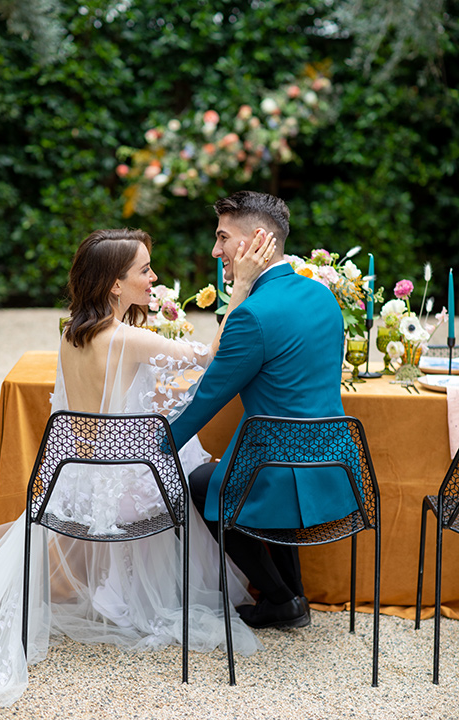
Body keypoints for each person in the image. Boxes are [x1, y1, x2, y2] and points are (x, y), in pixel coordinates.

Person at [0, 226, 276, 707]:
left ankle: (116, 588)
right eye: (145, 269)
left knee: (177, 446)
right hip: (120, 493)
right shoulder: (126, 337)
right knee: (192, 459)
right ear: (115, 284)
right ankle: (132, 591)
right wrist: (240, 289)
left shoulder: (73, 334)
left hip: (74, 483)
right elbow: (211, 357)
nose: (154, 277)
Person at [169, 191, 359, 630]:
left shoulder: (251, 316)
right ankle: (292, 597)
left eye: (222, 238)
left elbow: (206, 400)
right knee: (255, 467)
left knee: (201, 481)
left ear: (255, 241)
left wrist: (154, 446)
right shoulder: (322, 296)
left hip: (279, 470)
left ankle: (280, 599)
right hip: (337, 465)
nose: (215, 251)